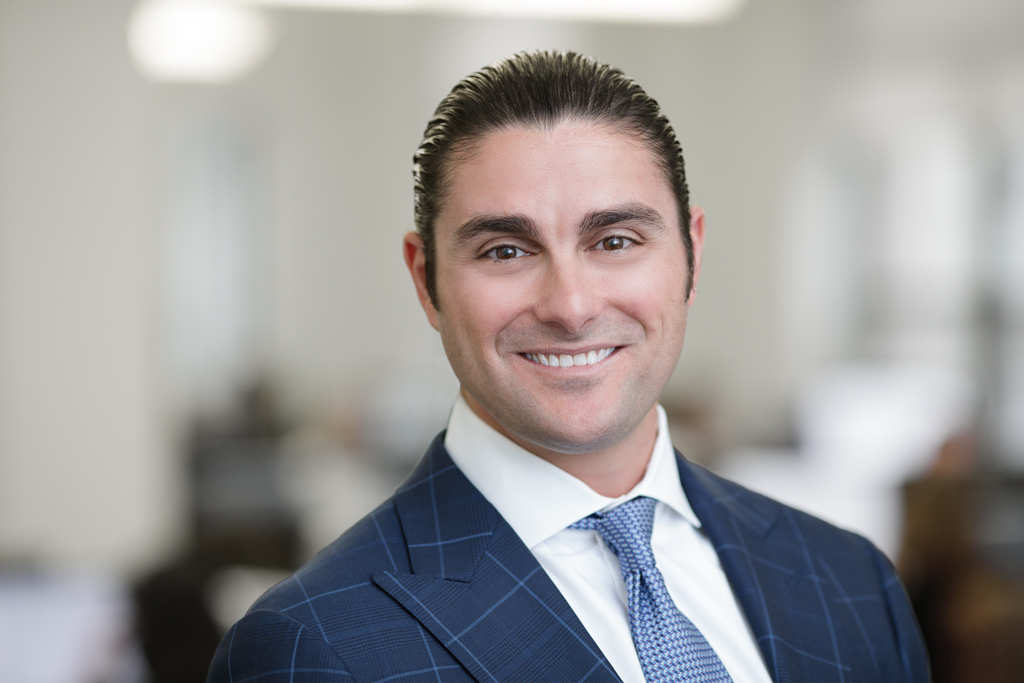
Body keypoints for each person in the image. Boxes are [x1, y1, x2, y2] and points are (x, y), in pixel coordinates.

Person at [208, 50, 929, 683]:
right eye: (505, 251)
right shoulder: (314, 645)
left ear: (692, 256)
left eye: (615, 241)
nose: (571, 306)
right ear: (426, 280)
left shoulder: (849, 579)